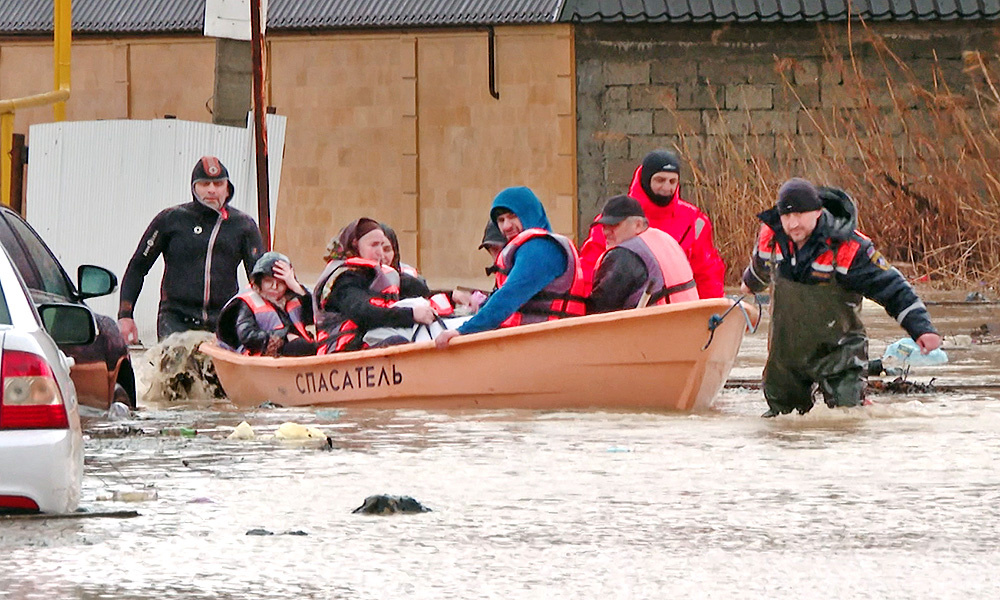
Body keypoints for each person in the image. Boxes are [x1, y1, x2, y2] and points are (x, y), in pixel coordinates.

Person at [740, 178, 942, 417]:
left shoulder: (850, 247)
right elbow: (760, 268)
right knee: (781, 420)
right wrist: (750, 284)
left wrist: (921, 329)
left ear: (817, 212)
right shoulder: (771, 237)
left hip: (840, 353)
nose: (793, 224)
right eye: (787, 216)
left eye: (800, 215)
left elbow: (893, 288)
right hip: (786, 356)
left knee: (848, 416)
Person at [118, 156, 263, 343]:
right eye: (204, 184)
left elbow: (260, 278)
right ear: (194, 187)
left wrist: (265, 320)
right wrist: (125, 315)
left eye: (218, 184)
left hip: (224, 319)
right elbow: (138, 267)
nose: (212, 190)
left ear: (228, 188)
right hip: (176, 319)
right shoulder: (171, 219)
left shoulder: (243, 225)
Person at [435, 186, 587, 349]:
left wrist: (463, 331)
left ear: (529, 213)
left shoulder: (541, 248)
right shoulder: (530, 248)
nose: (506, 226)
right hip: (536, 343)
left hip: (550, 344)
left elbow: (509, 296)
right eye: (501, 220)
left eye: (512, 216)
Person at [578, 150, 725, 298]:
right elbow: (589, 269)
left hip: (680, 308)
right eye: (660, 180)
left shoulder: (695, 220)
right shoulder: (613, 220)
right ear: (646, 180)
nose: (666, 188)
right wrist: (588, 307)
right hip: (626, 307)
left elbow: (708, 274)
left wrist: (711, 309)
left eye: (672, 181)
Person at [314, 218, 435, 353]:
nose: (380, 253)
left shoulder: (379, 275)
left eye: (382, 246)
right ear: (355, 245)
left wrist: (450, 296)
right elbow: (363, 312)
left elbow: (421, 290)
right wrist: (411, 315)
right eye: (374, 245)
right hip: (345, 350)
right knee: (396, 343)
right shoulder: (343, 280)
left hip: (372, 342)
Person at [588, 195, 698, 313]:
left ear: (638, 225)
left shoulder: (623, 255)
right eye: (604, 226)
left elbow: (600, 310)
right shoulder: (666, 242)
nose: (606, 232)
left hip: (657, 323)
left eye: (614, 225)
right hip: (688, 321)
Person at [216, 252, 316, 356]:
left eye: (281, 282)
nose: (274, 287)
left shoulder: (294, 299)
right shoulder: (246, 302)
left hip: (299, 350)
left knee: (315, 346)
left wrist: (297, 287)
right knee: (301, 346)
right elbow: (247, 336)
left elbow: (315, 317)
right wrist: (284, 335)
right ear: (259, 282)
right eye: (268, 281)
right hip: (260, 353)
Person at [379, 223, 430, 299]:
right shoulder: (359, 286)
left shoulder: (413, 285)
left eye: (387, 250)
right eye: (374, 248)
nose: (381, 256)